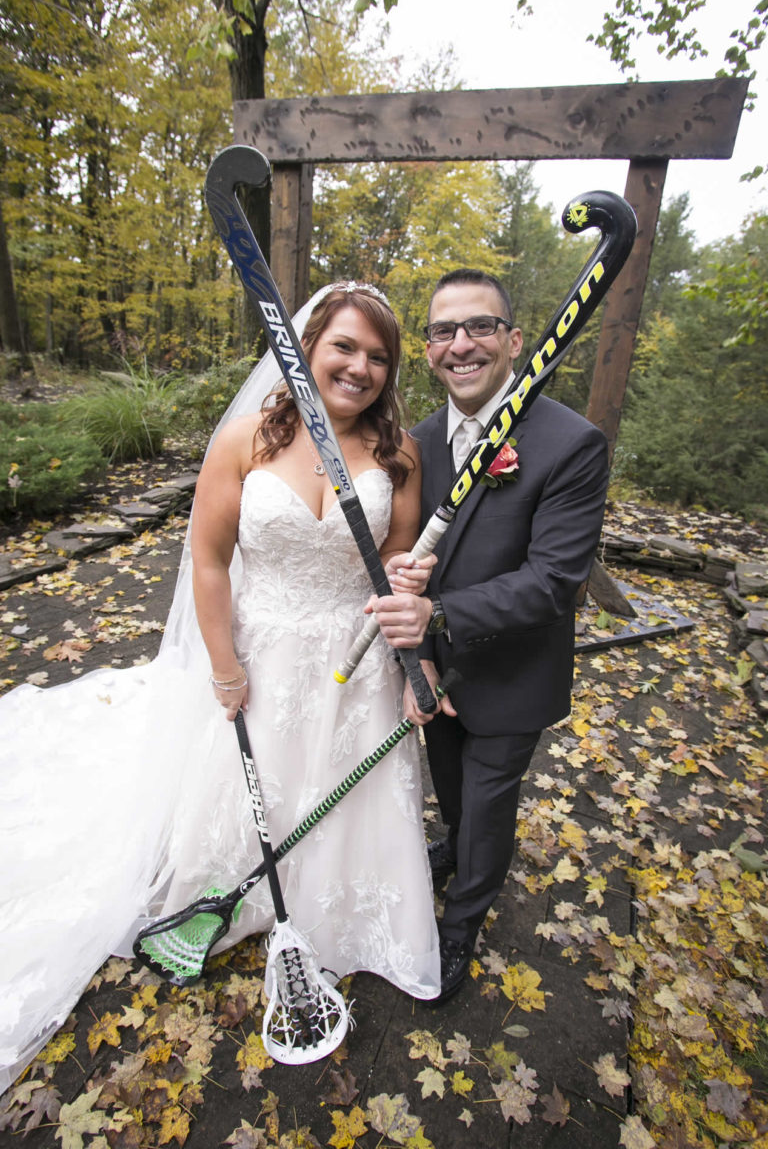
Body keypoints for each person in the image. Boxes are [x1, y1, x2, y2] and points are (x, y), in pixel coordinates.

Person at [0, 282, 440, 1093]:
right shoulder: (245, 440)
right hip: (261, 647)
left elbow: (398, 576)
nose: (360, 367)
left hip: (353, 658)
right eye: (344, 346)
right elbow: (207, 562)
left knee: (343, 795)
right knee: (254, 785)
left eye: (378, 356)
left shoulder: (398, 455)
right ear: (308, 347)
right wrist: (224, 666)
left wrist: (418, 655)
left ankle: (338, 913)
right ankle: (239, 897)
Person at [370, 268, 610, 1004]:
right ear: (430, 349)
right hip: (434, 669)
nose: (460, 344)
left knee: (490, 798)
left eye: (478, 327)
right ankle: (460, 847)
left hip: (513, 673)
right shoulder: (412, 444)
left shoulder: (571, 442)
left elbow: (554, 579)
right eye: (443, 331)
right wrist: (420, 651)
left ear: (512, 341)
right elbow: (401, 559)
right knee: (452, 789)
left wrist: (440, 617)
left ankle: (463, 920)